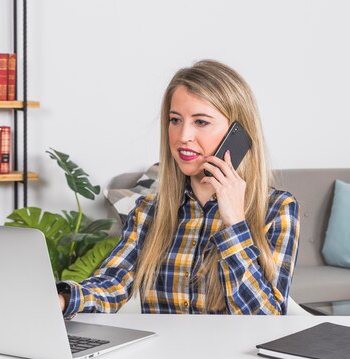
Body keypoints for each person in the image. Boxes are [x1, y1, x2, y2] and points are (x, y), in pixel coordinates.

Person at [57, 59, 300, 316]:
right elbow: (112, 283)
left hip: (232, 356)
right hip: (162, 355)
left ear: (238, 134)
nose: (183, 136)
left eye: (201, 122)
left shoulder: (277, 210)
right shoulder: (149, 211)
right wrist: (61, 301)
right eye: (175, 120)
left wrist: (235, 225)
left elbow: (267, 319)